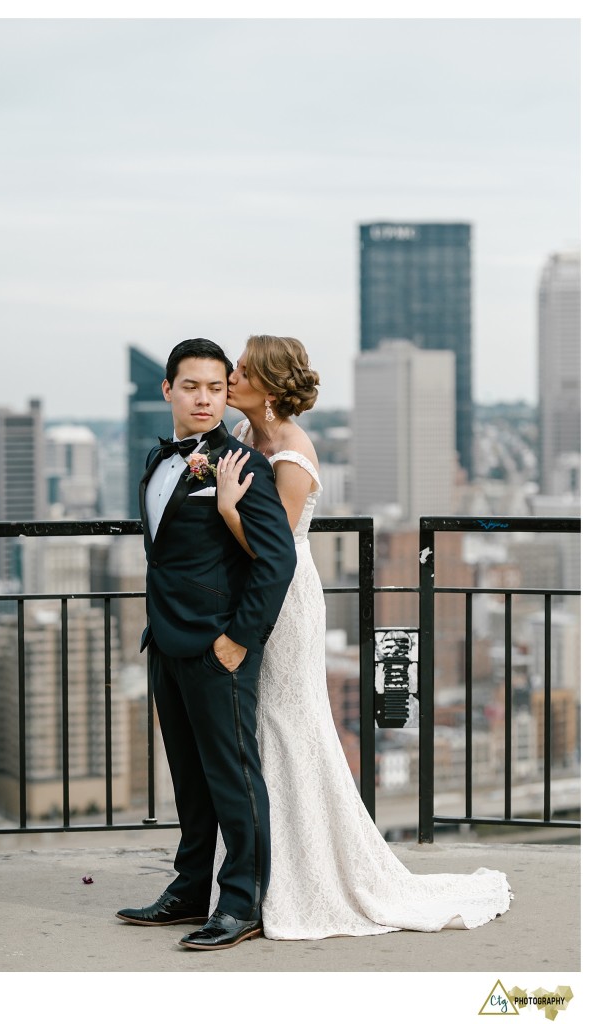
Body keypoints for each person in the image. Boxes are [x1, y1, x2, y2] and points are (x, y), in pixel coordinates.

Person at [215, 333, 512, 939]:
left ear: (268, 386)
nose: (230, 375)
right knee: (263, 729)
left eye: (242, 369)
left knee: (291, 727)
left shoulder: (292, 455)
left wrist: (225, 511)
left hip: (287, 603)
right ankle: (262, 868)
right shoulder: (251, 437)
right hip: (257, 598)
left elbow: (273, 548)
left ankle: (303, 871)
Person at [116, 338, 297, 950]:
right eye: (191, 386)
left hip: (219, 646)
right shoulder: (157, 458)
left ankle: (241, 902)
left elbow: (277, 561)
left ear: (227, 394)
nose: (204, 398)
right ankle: (188, 888)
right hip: (166, 643)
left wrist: (238, 640)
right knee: (188, 778)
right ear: (167, 390)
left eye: (216, 388)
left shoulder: (244, 464)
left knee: (234, 777)